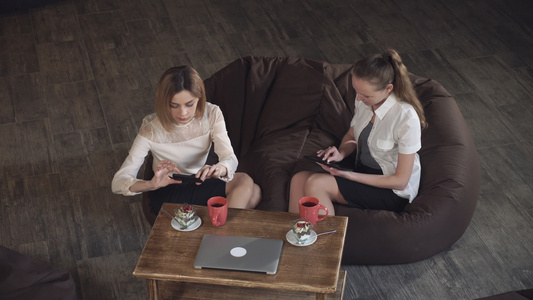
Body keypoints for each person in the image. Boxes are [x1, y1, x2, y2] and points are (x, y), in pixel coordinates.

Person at [289, 49, 427, 215]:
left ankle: (326, 239)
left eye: (366, 95)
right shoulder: (363, 101)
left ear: (388, 88)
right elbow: (352, 135)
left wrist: (349, 176)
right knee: (298, 179)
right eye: (357, 91)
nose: (359, 99)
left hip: (390, 189)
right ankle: (295, 234)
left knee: (317, 183)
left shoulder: (405, 117)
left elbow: (400, 181)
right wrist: (340, 153)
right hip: (362, 172)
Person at [112, 66, 261, 213]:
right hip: (168, 189)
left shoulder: (212, 114)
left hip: (197, 181)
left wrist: (219, 168)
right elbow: (117, 182)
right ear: (164, 102)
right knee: (246, 184)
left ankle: (211, 230)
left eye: (190, 104)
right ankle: (218, 232)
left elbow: (229, 158)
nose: (183, 113)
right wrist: (151, 184)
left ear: (199, 98)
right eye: (174, 105)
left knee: (255, 193)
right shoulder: (151, 131)